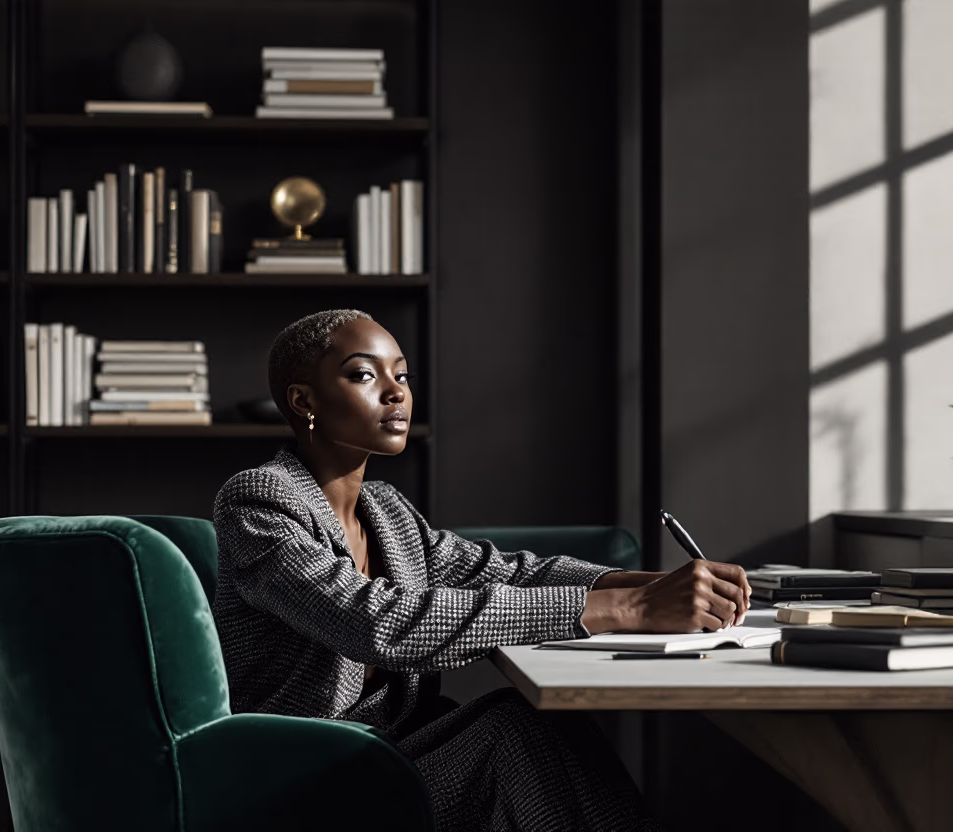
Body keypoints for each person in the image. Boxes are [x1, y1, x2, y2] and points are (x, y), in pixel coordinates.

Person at [212, 309, 752, 831]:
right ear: (304, 401)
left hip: (395, 754)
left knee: (530, 721)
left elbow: (504, 572)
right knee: (512, 735)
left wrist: (653, 586)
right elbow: (373, 623)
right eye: (363, 375)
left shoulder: (386, 510)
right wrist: (627, 610)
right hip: (308, 780)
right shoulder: (260, 501)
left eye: (401, 375)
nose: (396, 391)